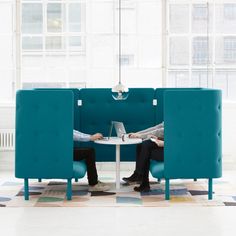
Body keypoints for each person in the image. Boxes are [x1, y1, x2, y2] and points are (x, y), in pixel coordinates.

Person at [122, 122, 164, 192]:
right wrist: (137, 134)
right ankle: (139, 176)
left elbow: (161, 131)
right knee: (141, 145)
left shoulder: (178, 118)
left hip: (171, 150)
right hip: (165, 144)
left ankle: (140, 176)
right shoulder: (171, 116)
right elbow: (156, 127)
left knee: (146, 147)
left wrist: (140, 135)